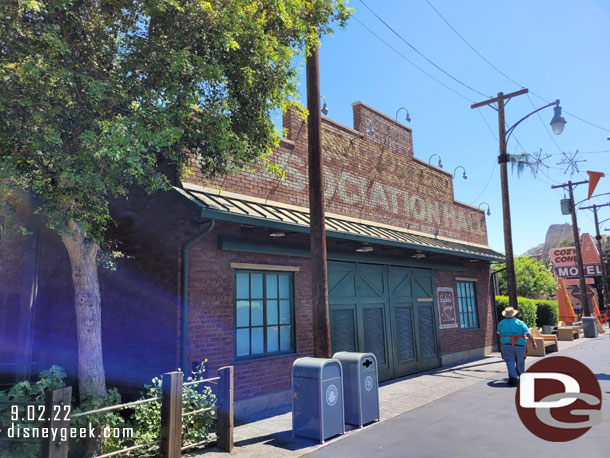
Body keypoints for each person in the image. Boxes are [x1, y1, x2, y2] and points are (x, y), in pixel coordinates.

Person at [497, 307, 536, 386]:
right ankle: (521, 376)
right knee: (520, 361)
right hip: (520, 345)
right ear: (514, 314)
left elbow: (499, 335)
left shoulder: (501, 323)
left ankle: (513, 377)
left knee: (509, 361)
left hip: (506, 345)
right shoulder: (520, 322)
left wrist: (500, 346)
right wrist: (533, 342)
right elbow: (528, 334)